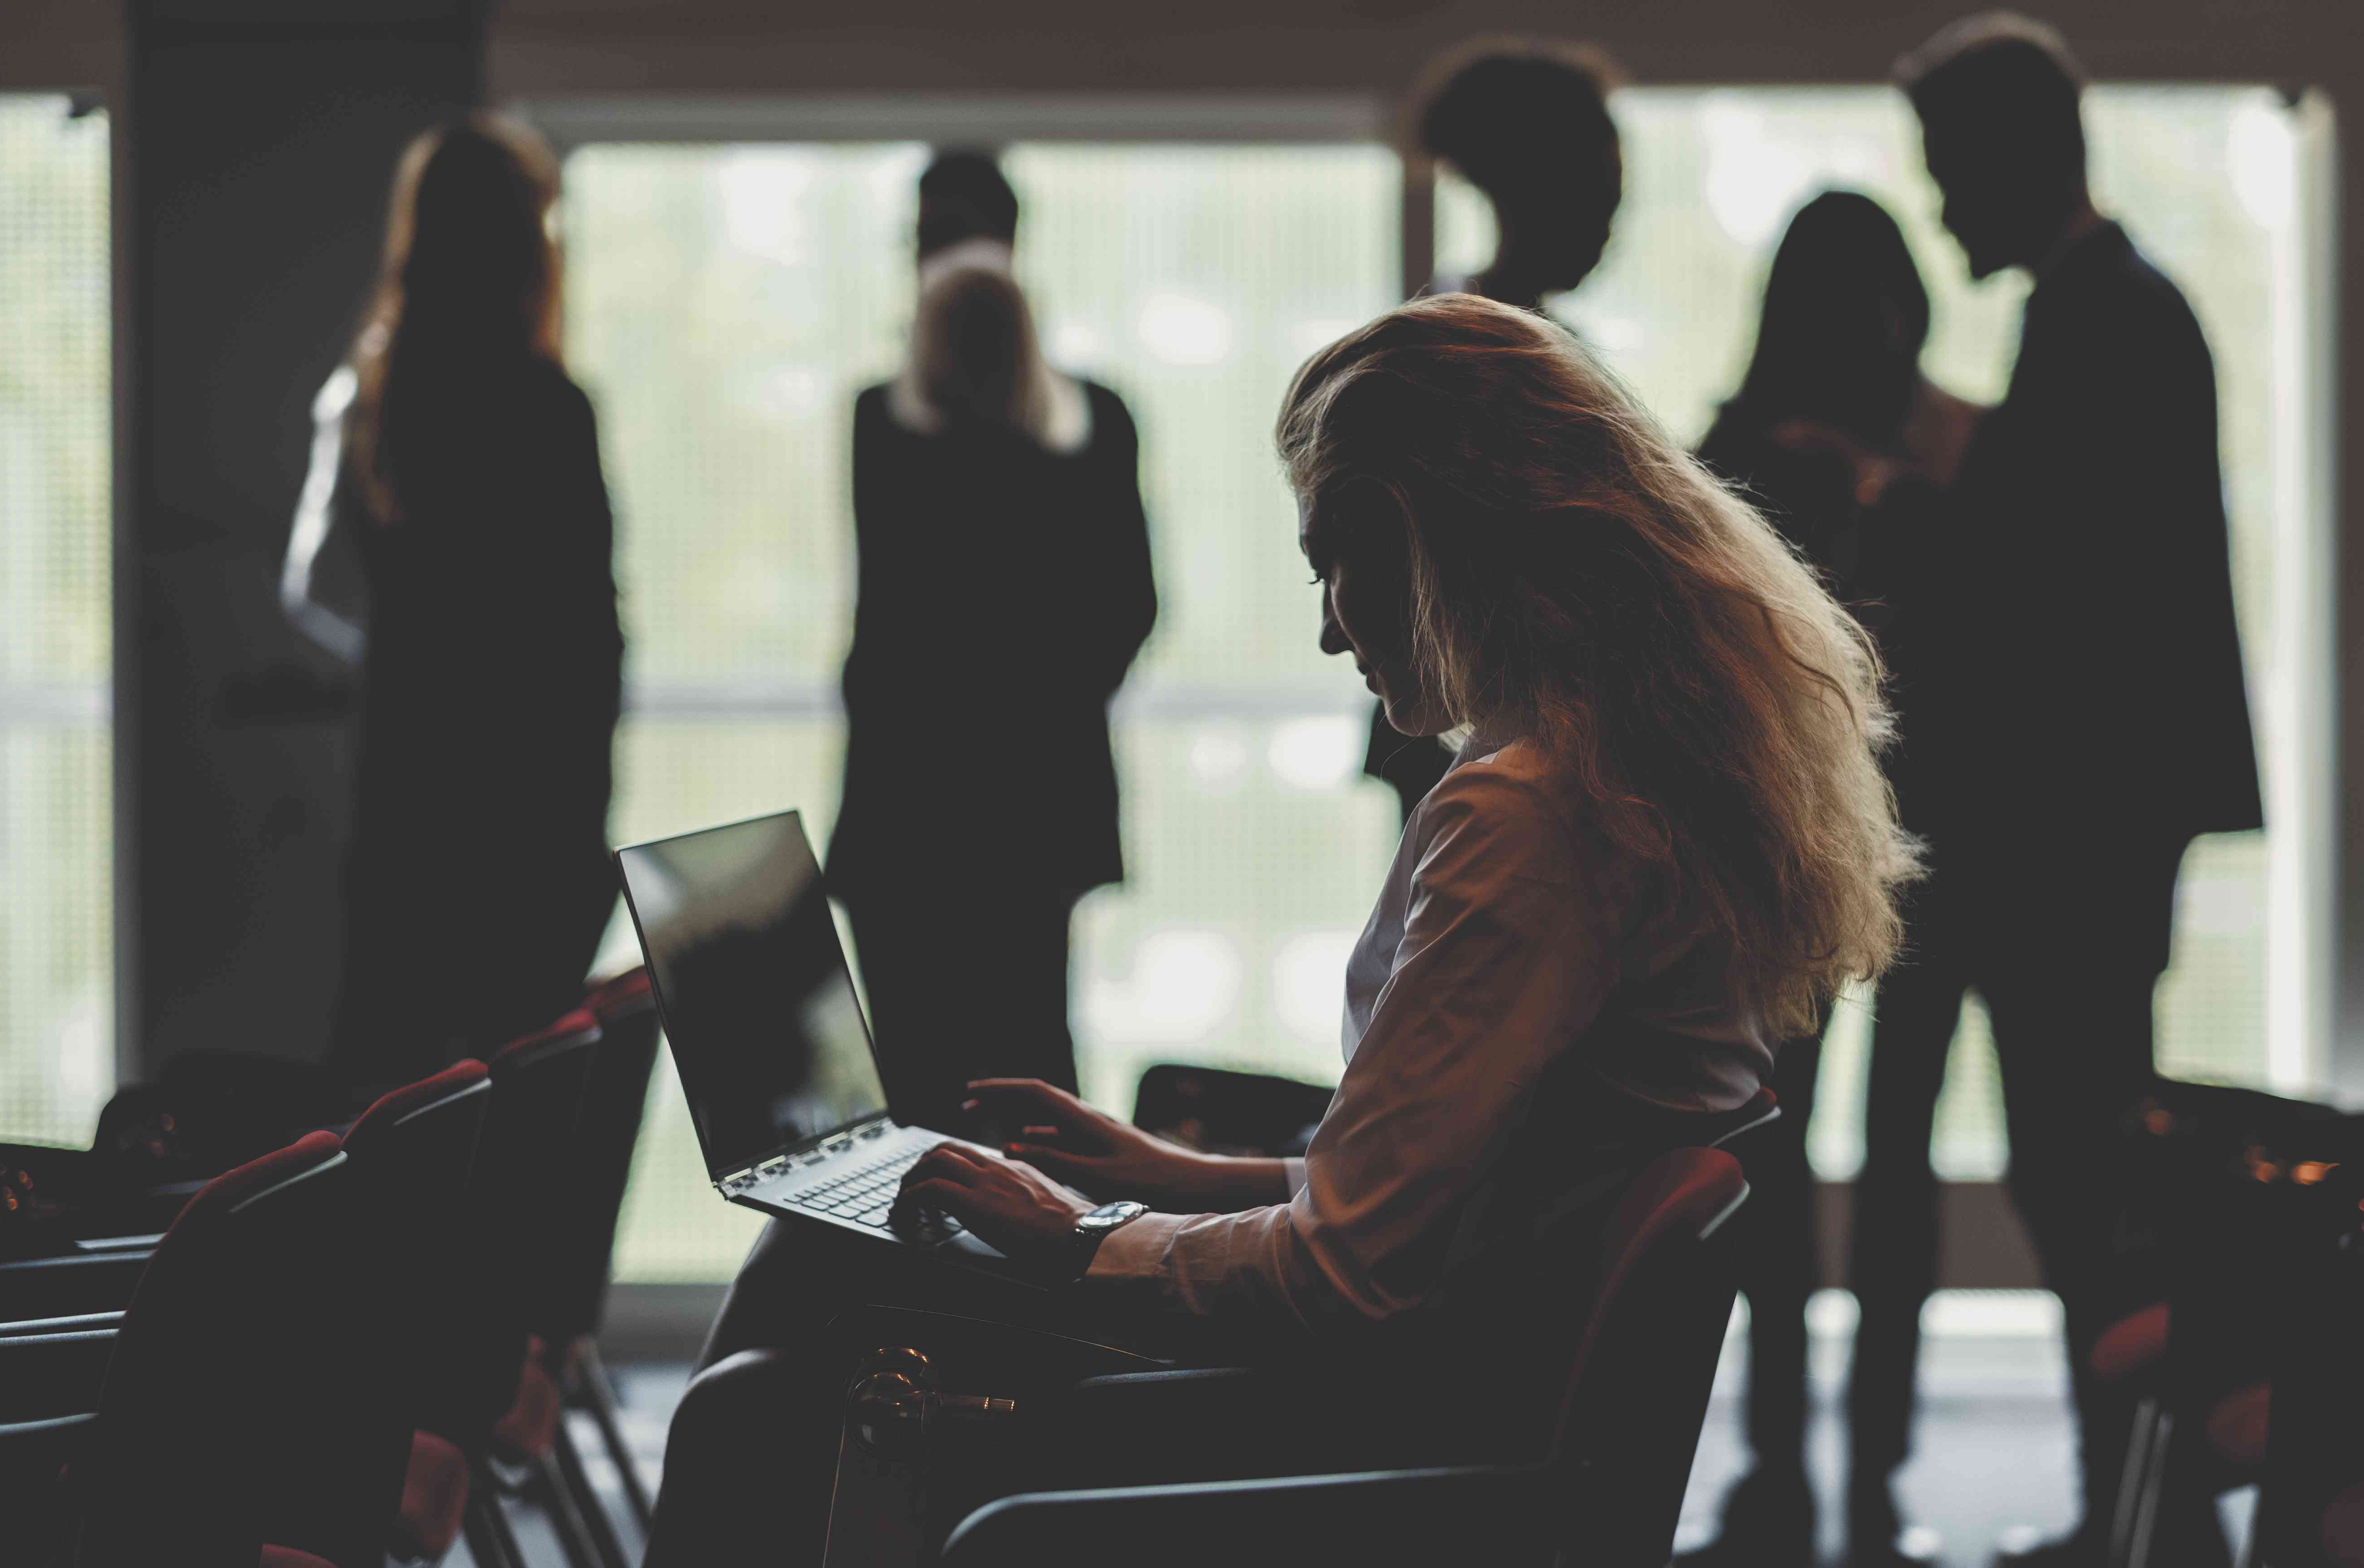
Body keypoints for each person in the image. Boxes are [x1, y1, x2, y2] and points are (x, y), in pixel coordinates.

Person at [649, 292, 1918, 1564]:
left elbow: (1343, 1277)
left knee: (778, 1369)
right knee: (824, 1286)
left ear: (1434, 538)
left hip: (1385, 1432)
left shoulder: (1529, 814)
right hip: (1450, 1402)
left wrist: (1075, 1234)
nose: (1326, 627)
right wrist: (1158, 1174)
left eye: (1334, 565)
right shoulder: (1625, 779)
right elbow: (1473, 1196)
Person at [1812, 18, 2262, 1567]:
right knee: (2076, 1170)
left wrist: (1899, 505)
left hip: (2062, 842)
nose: (1940, 211)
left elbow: (2051, 592)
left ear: (2012, 162)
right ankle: (2128, 1505)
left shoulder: (2103, 322)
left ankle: (2141, 1514)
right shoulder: (2110, 314)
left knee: (2080, 1181)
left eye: (1949, 175)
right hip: (2075, 837)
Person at [1683, 190, 1982, 1568]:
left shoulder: (1733, 456)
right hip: (1885, 843)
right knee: (1855, 1157)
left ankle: (1802, 1461)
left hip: (1821, 849)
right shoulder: (1925, 447)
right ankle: (1853, 1464)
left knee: (1788, 1155)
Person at [825, 150, 1157, 1138]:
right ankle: (1042, 1286)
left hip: (908, 809)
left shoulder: (882, 425)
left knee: (925, 1087)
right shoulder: (1094, 422)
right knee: (1027, 1069)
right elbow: (1130, 610)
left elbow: (886, 628)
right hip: (1031, 807)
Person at [325, 116, 624, 1083]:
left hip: (408, 810)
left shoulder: (381, 411)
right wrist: (588, 837)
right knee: (522, 1125)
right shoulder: (546, 410)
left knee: (397, 1106)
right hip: (530, 825)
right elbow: (586, 643)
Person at [1357, 39, 1628, 823]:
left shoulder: (1489, 338)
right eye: (1599, 192)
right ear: (1537, 189)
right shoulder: (1467, 353)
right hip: (1473, 715)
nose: (1613, 222)